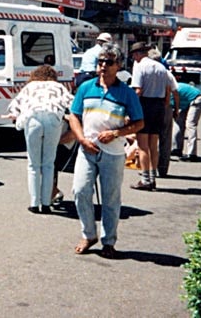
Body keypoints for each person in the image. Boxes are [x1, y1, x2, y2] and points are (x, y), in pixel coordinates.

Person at [69, 43, 144, 258]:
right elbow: (74, 115)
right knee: (81, 191)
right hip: (87, 149)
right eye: (100, 62)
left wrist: (116, 133)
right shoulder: (86, 88)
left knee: (110, 198)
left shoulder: (126, 93)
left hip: (112, 152)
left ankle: (108, 241)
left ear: (118, 66)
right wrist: (81, 139)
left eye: (108, 62)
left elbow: (139, 123)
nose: (103, 66)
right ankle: (88, 234)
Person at [5, 65, 74, 213]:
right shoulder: (58, 86)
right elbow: (72, 104)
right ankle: (47, 203)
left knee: (33, 164)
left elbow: (14, 107)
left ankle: (34, 203)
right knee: (49, 164)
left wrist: (15, 116)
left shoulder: (30, 87)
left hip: (33, 119)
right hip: (53, 118)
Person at [129, 41, 172, 191]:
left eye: (134, 54)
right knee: (154, 144)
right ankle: (153, 177)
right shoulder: (161, 67)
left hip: (145, 104)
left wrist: (132, 108)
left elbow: (138, 91)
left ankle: (145, 179)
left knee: (142, 145)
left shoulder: (140, 67)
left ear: (139, 53)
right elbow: (168, 90)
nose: (134, 58)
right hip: (159, 105)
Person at [148, 48, 179, 177]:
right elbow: (175, 92)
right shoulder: (166, 73)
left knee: (150, 139)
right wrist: (176, 109)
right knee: (165, 139)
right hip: (165, 107)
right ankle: (163, 168)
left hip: (150, 106)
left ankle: (149, 169)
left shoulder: (145, 71)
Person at [171, 82, 201, 161]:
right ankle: (176, 149)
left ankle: (191, 154)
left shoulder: (169, 91)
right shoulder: (168, 88)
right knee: (178, 121)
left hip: (198, 98)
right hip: (188, 100)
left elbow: (169, 107)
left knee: (190, 124)